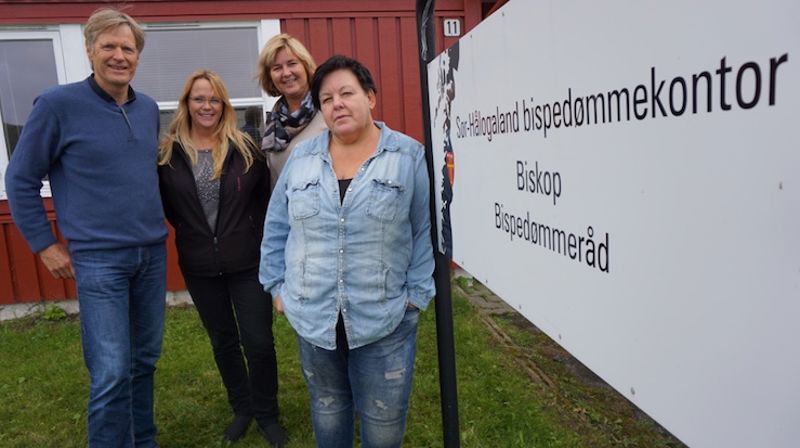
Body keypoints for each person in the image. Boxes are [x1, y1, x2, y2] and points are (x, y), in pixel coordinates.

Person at [4, 8, 167, 447]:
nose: (119, 55)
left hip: (151, 254)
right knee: (112, 370)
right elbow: (19, 178)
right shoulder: (58, 105)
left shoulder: (148, 107)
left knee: (145, 360)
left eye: (127, 48)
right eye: (109, 46)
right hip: (99, 260)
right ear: (90, 50)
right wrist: (44, 244)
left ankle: (142, 440)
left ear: (137, 57)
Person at [259, 55, 436, 448]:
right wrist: (277, 288)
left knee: (383, 420)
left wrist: (415, 299)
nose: (336, 103)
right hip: (312, 315)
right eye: (326, 98)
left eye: (346, 93)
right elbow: (276, 227)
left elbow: (424, 231)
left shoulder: (408, 157)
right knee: (328, 409)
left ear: (370, 97)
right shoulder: (301, 160)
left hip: (385, 318)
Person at [157, 69, 288, 447]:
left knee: (259, 341)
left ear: (224, 105)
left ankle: (266, 413)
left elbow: (264, 204)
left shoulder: (246, 149)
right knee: (223, 341)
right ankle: (242, 407)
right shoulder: (168, 155)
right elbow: (171, 209)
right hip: (199, 265)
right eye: (199, 98)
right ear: (187, 104)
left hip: (248, 262)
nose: (207, 106)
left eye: (214, 99)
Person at [257, 33, 326, 191]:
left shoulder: (327, 111)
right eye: (277, 68)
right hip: (287, 213)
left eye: (292, 63)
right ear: (270, 76)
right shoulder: (273, 125)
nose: (286, 73)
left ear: (305, 66)